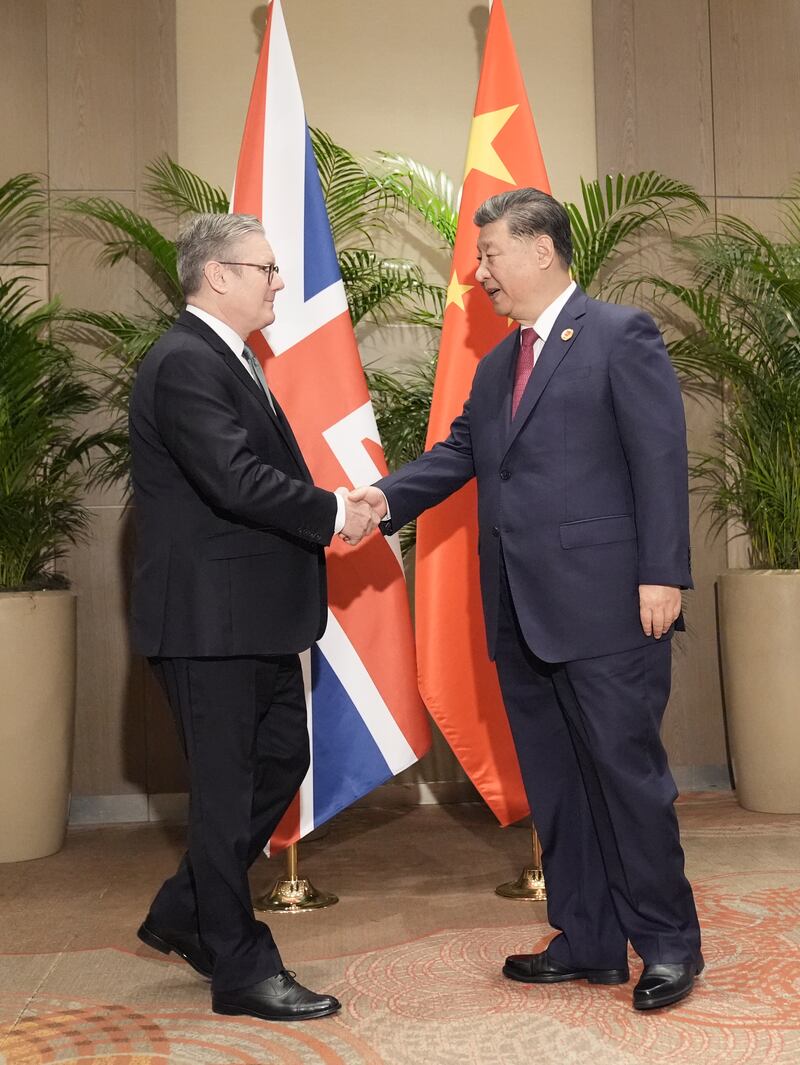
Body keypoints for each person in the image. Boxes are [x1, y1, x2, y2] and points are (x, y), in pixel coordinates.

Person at [350, 188, 703, 1011]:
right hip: (519, 608)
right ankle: (586, 941)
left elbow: (658, 458)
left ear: (542, 249)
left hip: (611, 605)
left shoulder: (620, 334)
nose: (479, 274)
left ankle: (668, 945)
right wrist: (378, 502)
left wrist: (663, 573)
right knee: (558, 785)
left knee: (627, 779)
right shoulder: (497, 363)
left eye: (490, 255)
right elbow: (460, 454)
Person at [128, 213, 377, 1022]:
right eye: (265, 268)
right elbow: (234, 480)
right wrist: (335, 511)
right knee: (227, 795)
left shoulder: (227, 356)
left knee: (279, 760)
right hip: (209, 623)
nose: (277, 281)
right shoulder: (183, 362)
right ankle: (240, 968)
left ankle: (184, 909)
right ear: (217, 276)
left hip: (252, 620)